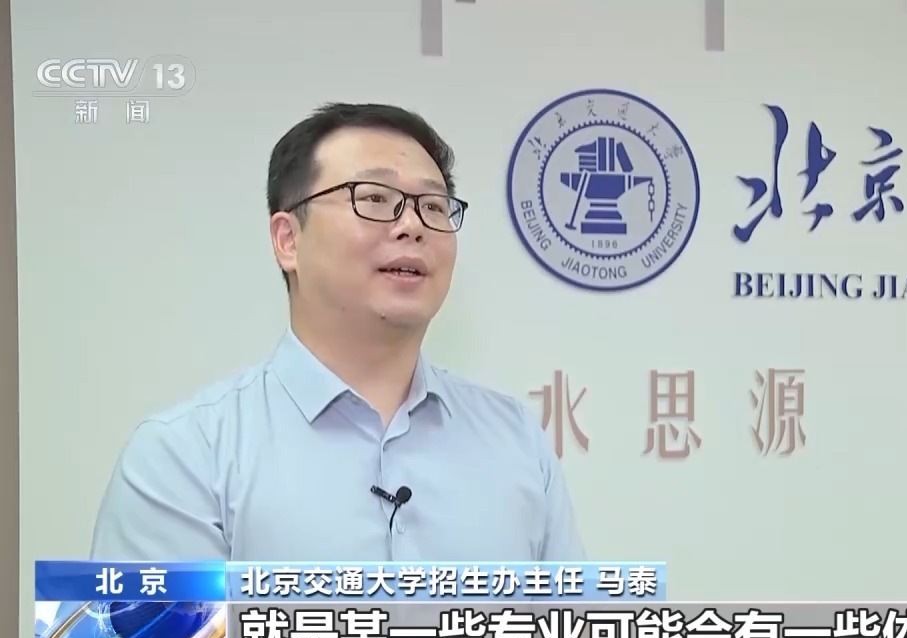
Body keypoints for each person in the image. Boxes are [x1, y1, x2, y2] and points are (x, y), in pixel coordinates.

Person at [91, 103, 585, 562]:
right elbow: (157, 632)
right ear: (288, 240)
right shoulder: (185, 455)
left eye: (434, 207)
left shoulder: (516, 441)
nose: (413, 226)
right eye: (374, 198)